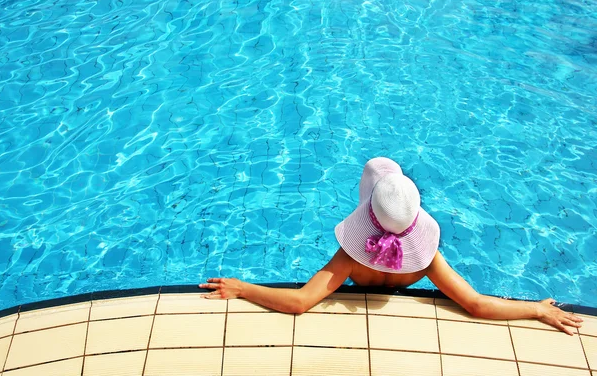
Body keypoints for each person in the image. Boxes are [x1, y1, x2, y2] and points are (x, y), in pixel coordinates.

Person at [200, 157, 583, 335]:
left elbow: (300, 302)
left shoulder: (351, 257)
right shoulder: (428, 259)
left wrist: (241, 287)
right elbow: (476, 304)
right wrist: (534, 310)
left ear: (367, 211)